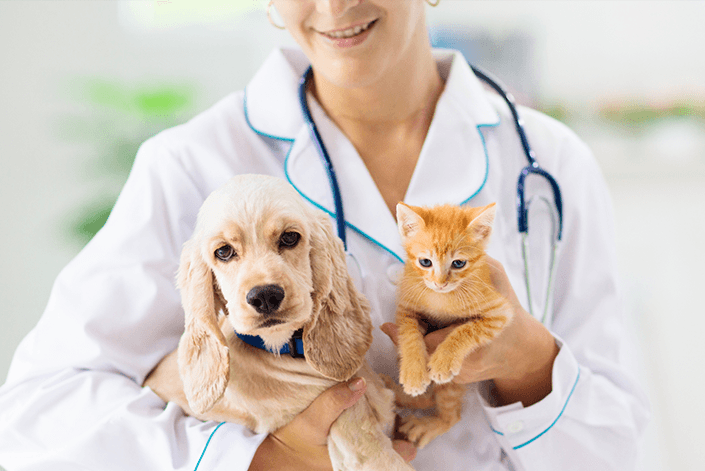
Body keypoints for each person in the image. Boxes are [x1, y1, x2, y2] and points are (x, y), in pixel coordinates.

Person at [0, 1, 649, 470]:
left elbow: (614, 450)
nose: (335, 5)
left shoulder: (547, 162)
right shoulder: (189, 165)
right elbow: (36, 419)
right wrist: (267, 456)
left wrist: (529, 362)